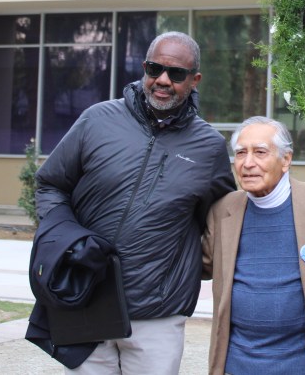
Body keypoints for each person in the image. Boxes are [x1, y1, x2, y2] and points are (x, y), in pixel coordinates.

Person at [32, 31, 236, 374]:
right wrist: (66, 241)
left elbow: (217, 220)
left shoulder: (209, 147)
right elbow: (51, 184)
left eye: (177, 74)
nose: (163, 80)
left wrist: (186, 270)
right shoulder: (96, 120)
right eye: (155, 68)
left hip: (159, 310)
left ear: (195, 80)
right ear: (144, 67)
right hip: (87, 295)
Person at [203, 116, 305, 375]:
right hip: (236, 366)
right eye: (240, 153)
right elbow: (197, 266)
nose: (248, 164)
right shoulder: (223, 211)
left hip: (304, 366)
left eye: (260, 153)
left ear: (286, 160)